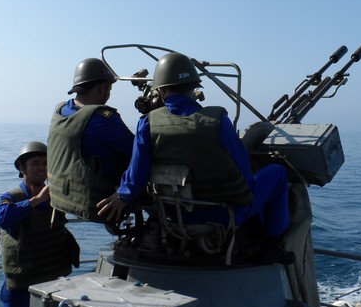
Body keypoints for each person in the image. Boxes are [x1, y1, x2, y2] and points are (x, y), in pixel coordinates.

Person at [97, 52, 290, 239]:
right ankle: (275, 238)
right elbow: (244, 172)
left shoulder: (147, 124)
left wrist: (123, 195)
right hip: (224, 214)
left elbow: (138, 173)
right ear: (194, 88)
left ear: (161, 91)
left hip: (173, 215)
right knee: (278, 174)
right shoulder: (218, 120)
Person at [0, 141, 79, 307]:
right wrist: (36, 200)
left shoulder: (57, 197)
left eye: (45, 163)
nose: (41, 168)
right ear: (22, 168)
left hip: (52, 282)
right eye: (35, 163)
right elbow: (2, 217)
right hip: (21, 286)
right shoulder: (12, 197)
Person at [47, 58, 135, 220]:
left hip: (61, 196)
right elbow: (138, 152)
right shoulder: (102, 119)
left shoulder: (60, 110)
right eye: (109, 89)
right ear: (102, 87)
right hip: (97, 201)